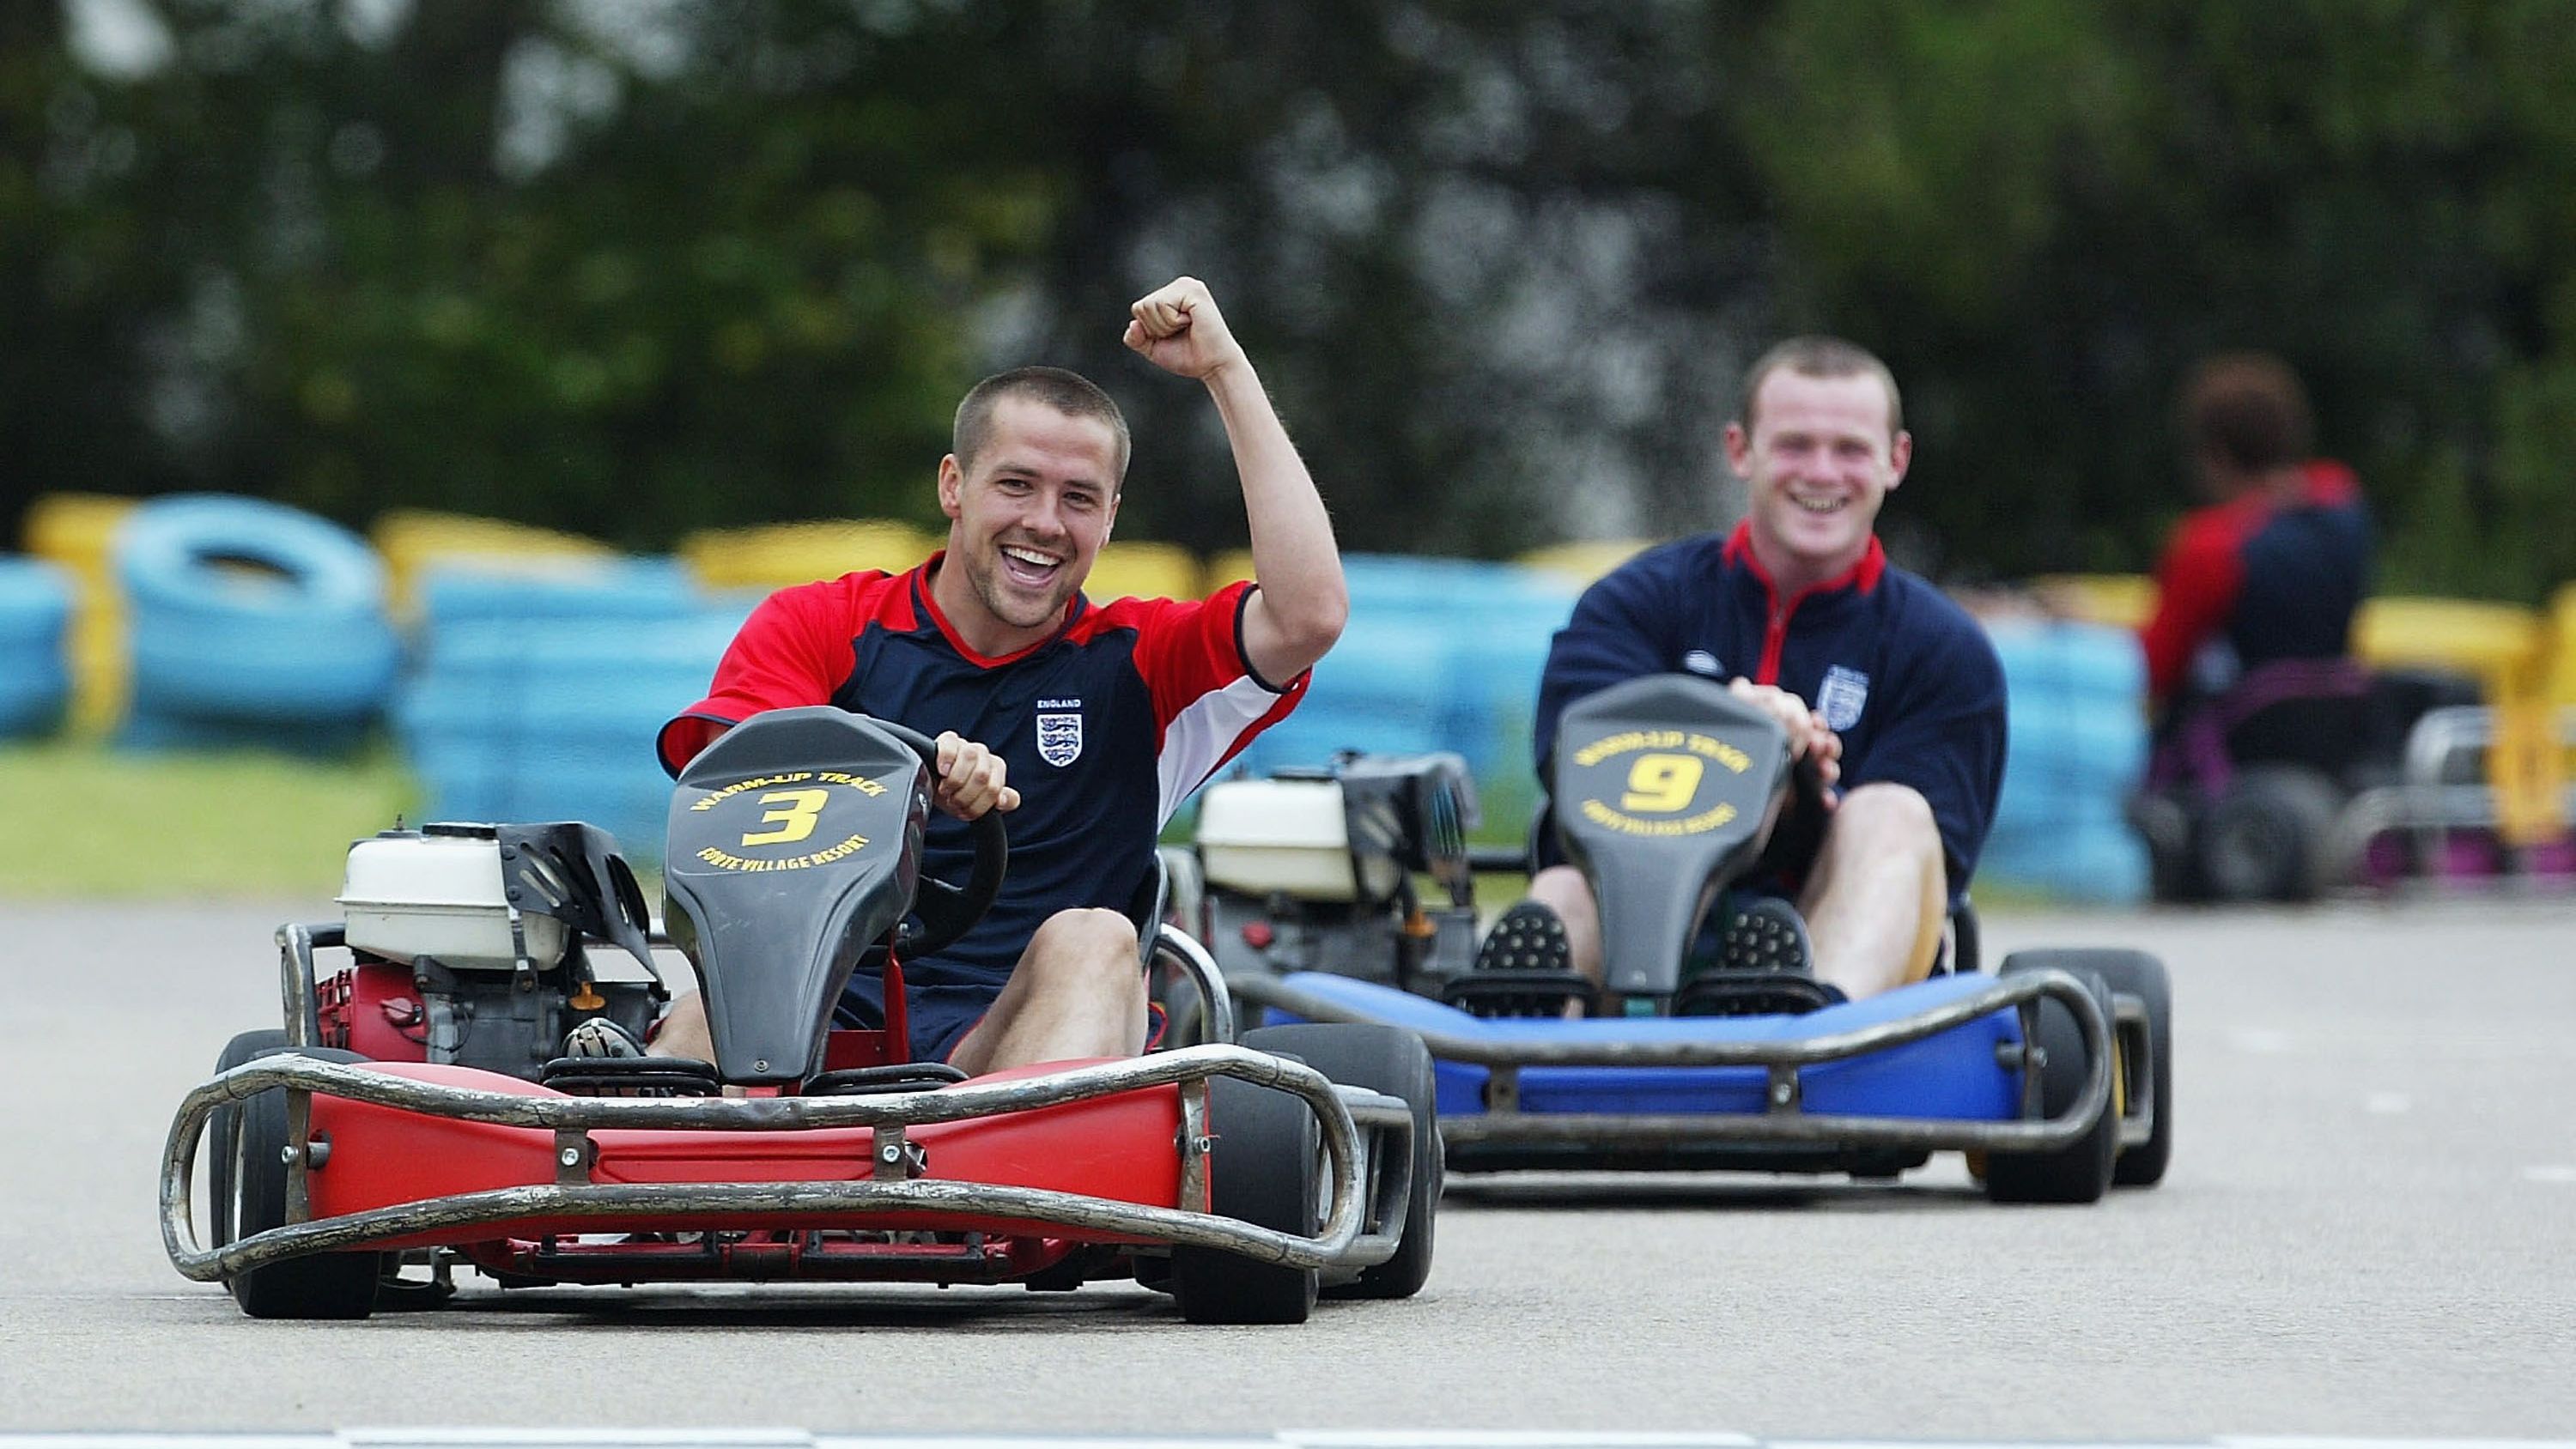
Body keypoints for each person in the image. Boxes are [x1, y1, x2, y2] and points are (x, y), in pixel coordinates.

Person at [628, 276, 1346, 1076]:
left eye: (1078, 498)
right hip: (816, 1021)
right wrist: (910, 782)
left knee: (1095, 937)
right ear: (953, 486)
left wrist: (1226, 370)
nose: (1044, 523)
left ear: (1110, 521)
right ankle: (701, 1179)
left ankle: (1008, 1183)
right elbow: (733, 785)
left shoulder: (1142, 660)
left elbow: (1308, 618)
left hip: (1015, 1037)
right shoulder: (825, 624)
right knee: (693, 1023)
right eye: (1016, 484)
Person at [1480, 336, 2007, 1005]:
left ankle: (1795, 1024)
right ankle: (1521, 1038)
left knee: (1893, 815)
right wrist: (1728, 735)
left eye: (1849, 449)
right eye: (1794, 445)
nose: (1821, 472)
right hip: (1631, 931)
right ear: (1740, 451)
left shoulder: (1943, 649)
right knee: (1562, 890)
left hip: (1827, 939)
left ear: (1895, 461)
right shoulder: (1635, 604)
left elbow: (1936, 866)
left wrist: (1800, 778)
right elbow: (1570, 761)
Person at [2136, 352, 2372, 718]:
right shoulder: (2342, 501)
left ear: (2218, 456)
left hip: (2241, 752)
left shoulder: (2210, 547)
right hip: (2336, 735)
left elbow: (2152, 671)